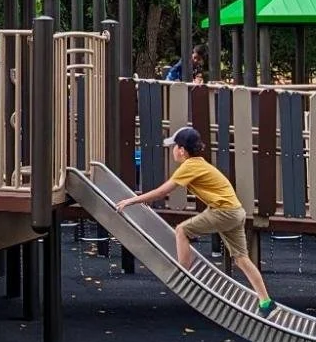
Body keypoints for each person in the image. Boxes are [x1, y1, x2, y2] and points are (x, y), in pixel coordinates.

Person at [114, 125, 277, 314]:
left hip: (223, 212)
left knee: (182, 230)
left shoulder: (189, 166)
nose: (173, 150)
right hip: (235, 212)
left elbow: (163, 191)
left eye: (174, 146)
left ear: (182, 150)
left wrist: (132, 200)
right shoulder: (200, 164)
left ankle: (183, 277)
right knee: (241, 259)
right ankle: (266, 302)